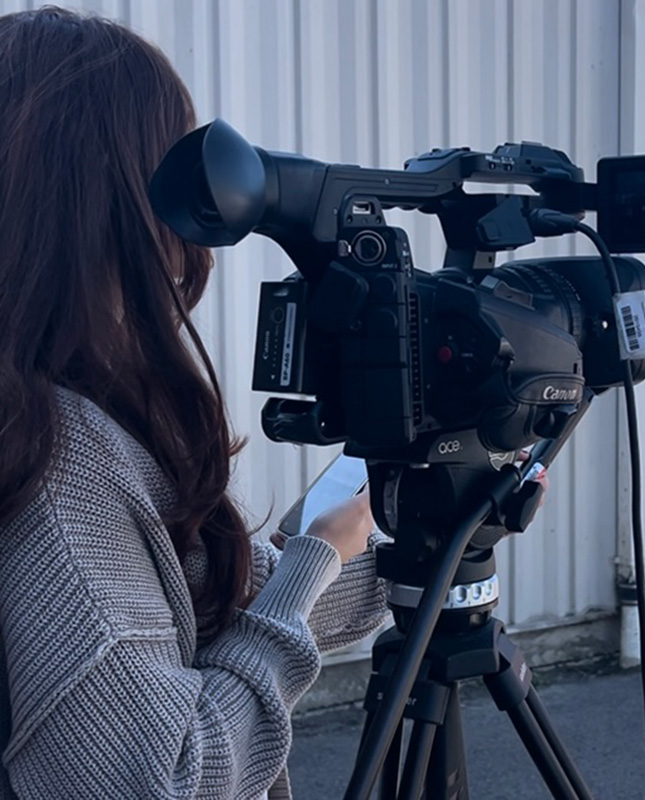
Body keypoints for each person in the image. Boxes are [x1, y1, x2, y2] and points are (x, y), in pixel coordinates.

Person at [0, 9, 387, 798]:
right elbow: (165, 779)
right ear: (112, 200)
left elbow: (226, 602)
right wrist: (314, 557)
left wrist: (415, 541)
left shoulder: (57, 407)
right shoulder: (56, 454)